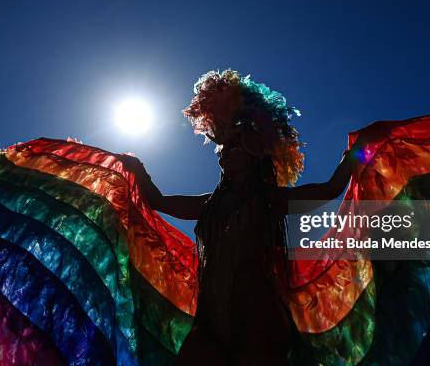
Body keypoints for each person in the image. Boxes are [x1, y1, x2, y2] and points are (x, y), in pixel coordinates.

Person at [122, 70, 381, 365]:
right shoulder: (208, 205)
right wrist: (135, 168)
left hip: (258, 309)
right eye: (223, 148)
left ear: (255, 153)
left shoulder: (270, 200)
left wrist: (357, 152)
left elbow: (330, 189)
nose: (224, 154)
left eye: (235, 146)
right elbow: (157, 201)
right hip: (211, 314)